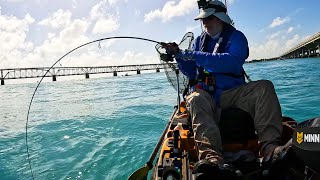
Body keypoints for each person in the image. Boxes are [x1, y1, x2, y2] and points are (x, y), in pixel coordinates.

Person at [162, 0, 284, 174]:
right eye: (203, 19)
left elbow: (233, 62)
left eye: (209, 18)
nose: (205, 22)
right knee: (195, 97)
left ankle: (271, 150)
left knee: (265, 87)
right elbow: (191, 72)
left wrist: (193, 54)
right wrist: (179, 56)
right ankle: (212, 159)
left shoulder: (237, 37)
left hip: (233, 93)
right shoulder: (198, 41)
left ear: (221, 18)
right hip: (206, 95)